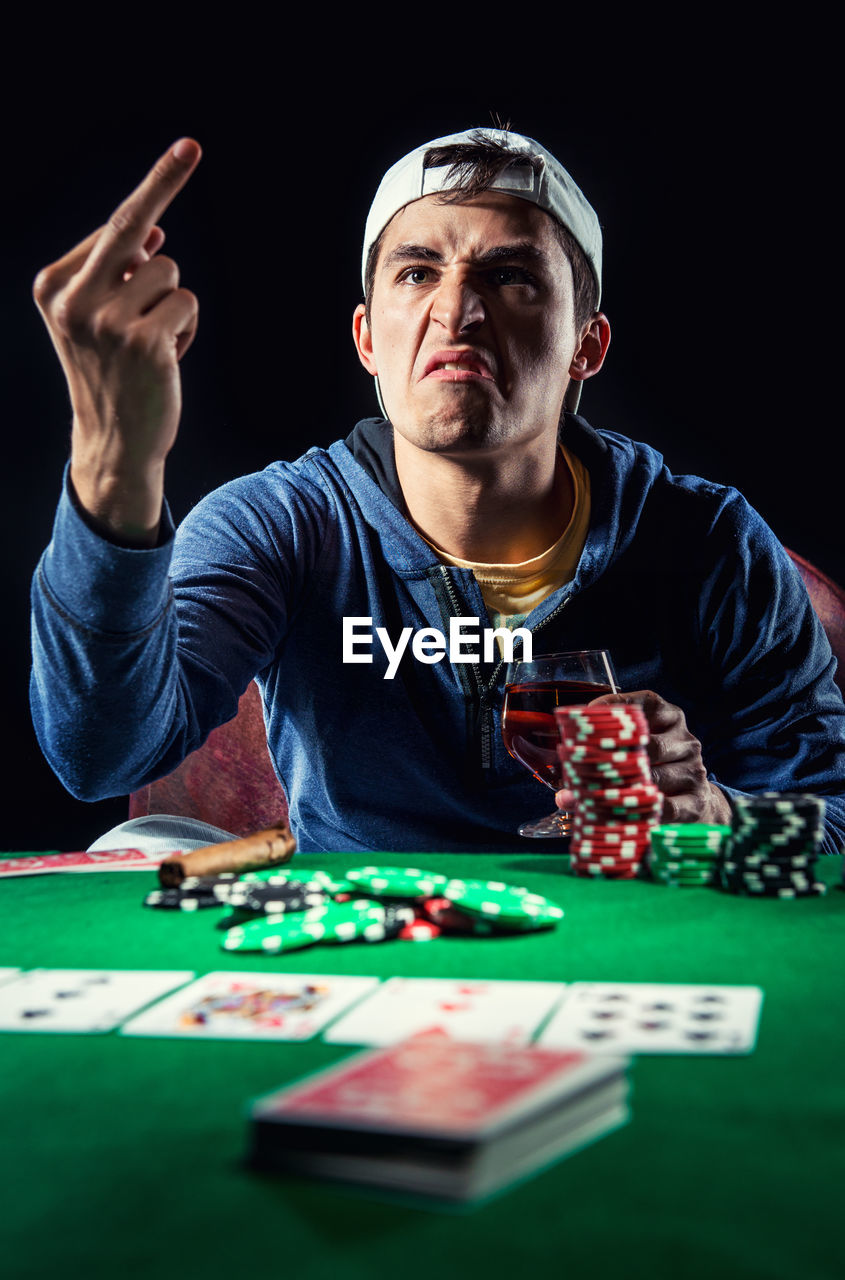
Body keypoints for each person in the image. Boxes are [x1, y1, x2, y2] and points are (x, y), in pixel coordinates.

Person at [29, 129, 845, 855]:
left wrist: (714, 814)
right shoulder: (280, 525)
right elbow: (100, 755)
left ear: (584, 348)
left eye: (511, 275)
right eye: (417, 272)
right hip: (368, 947)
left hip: (634, 948)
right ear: (367, 341)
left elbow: (832, 825)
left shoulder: (706, 539)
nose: (455, 311)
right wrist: (113, 462)